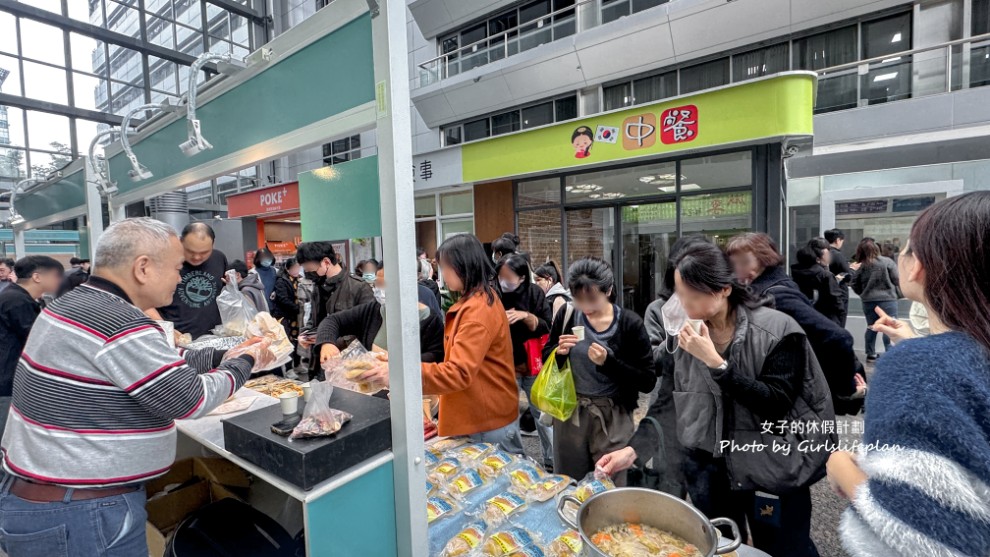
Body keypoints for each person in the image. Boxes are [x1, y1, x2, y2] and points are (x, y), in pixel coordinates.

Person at [0, 218, 273, 557]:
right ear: (143, 267)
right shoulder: (120, 322)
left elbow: (161, 360)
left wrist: (222, 355)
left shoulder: (76, 305)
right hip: (82, 514)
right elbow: (192, 399)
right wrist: (245, 361)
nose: (179, 276)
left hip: (52, 502)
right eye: (176, 267)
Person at [827, 193, 990, 557]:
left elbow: (920, 532)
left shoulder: (917, 368)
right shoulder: (950, 356)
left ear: (919, 266)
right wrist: (913, 343)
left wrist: (841, 469)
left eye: (905, 248)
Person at [662, 242, 833, 557]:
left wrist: (717, 364)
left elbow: (775, 402)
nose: (683, 302)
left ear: (724, 289)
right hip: (709, 470)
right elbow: (666, 397)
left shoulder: (777, 329)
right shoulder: (687, 333)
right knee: (722, 547)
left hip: (769, 464)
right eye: (678, 293)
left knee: (784, 548)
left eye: (692, 294)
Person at [353, 235, 524, 452]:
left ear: (463, 266)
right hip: (480, 412)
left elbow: (458, 372)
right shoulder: (477, 299)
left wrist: (400, 372)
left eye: (445, 267)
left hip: (485, 419)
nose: (442, 274)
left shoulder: (477, 311)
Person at [543, 257, 655, 484]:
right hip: (570, 412)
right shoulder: (566, 314)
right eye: (578, 299)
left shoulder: (629, 324)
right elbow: (547, 356)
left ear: (609, 290)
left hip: (612, 416)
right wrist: (559, 353)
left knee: (611, 482)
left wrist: (609, 362)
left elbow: (647, 380)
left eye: (592, 299)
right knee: (568, 482)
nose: (586, 307)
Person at [728, 233, 864, 414]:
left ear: (762, 261)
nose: (736, 269)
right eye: (734, 263)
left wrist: (846, 390)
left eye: (742, 262)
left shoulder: (776, 296)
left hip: (797, 391)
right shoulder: (768, 287)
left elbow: (838, 337)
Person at [623, 235, 713, 498]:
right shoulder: (658, 309)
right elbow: (653, 363)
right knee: (669, 488)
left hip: (709, 418)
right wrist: (676, 332)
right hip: (670, 408)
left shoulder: (717, 310)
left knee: (710, 498)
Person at [316, 267, 444, 365]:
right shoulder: (373, 310)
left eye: (383, 285)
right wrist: (327, 343)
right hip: (373, 389)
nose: (378, 290)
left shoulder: (429, 319)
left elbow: (435, 356)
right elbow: (334, 320)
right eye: (377, 284)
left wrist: (397, 362)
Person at [497, 253, 553, 468]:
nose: (503, 281)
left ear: (521, 277)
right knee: (507, 418)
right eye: (500, 276)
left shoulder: (535, 293)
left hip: (531, 364)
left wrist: (526, 316)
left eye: (508, 276)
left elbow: (547, 325)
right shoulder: (494, 294)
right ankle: (516, 463)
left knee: (542, 416)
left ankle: (552, 461)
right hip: (505, 366)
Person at [0, 256, 63, 443]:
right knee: (7, 436)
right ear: (37, 277)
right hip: (7, 378)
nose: (60, 280)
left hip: (7, 374)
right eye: (56, 276)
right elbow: (37, 339)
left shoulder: (14, 295)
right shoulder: (18, 301)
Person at [298, 242, 374, 380]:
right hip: (321, 362)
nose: (308, 273)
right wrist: (306, 334)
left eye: (310, 268)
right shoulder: (318, 287)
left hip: (350, 364)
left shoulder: (359, 287)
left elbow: (367, 329)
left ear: (326, 262)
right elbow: (314, 318)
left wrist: (329, 340)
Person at [154, 222, 229, 339]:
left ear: (212, 245)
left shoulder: (219, 258)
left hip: (214, 336)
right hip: (177, 337)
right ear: (181, 242)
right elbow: (143, 302)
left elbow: (223, 291)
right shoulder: (164, 261)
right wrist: (166, 330)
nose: (197, 257)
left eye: (204, 252)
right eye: (190, 251)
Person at [850, 238, 900, 362]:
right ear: (878, 249)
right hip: (888, 299)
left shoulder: (862, 266)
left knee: (872, 327)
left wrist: (863, 293)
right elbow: (896, 279)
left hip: (869, 301)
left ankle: (870, 354)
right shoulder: (887, 262)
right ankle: (889, 352)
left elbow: (854, 283)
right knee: (889, 326)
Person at [791, 238, 845, 325]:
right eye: (827, 254)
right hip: (826, 320)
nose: (829, 257)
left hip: (804, 318)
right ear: (817, 259)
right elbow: (837, 303)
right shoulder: (825, 276)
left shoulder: (796, 273)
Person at [824, 229, 853, 326]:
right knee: (840, 322)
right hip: (839, 293)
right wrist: (851, 269)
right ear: (837, 240)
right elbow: (847, 275)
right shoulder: (837, 255)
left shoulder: (823, 254)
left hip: (826, 293)